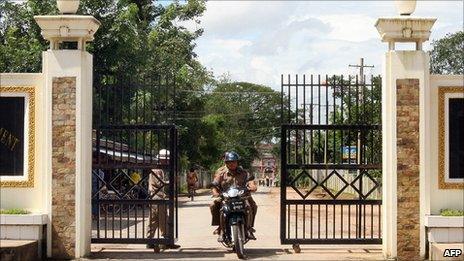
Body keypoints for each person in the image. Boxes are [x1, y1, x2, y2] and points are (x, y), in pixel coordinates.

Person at [210, 151, 258, 242]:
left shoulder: (244, 173)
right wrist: (215, 191)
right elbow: (215, 183)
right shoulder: (221, 172)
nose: (231, 164)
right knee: (213, 205)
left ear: (237, 162)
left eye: (234, 162)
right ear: (226, 163)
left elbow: (251, 182)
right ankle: (221, 228)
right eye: (229, 162)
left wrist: (252, 187)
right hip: (226, 197)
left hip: (242, 196)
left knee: (253, 206)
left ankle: (249, 228)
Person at [147, 149, 180, 250]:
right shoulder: (157, 169)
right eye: (166, 159)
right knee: (163, 219)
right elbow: (159, 183)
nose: (167, 161)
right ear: (162, 159)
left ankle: (150, 240)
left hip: (155, 196)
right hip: (158, 196)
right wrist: (171, 181)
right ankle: (166, 240)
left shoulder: (158, 168)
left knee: (154, 219)